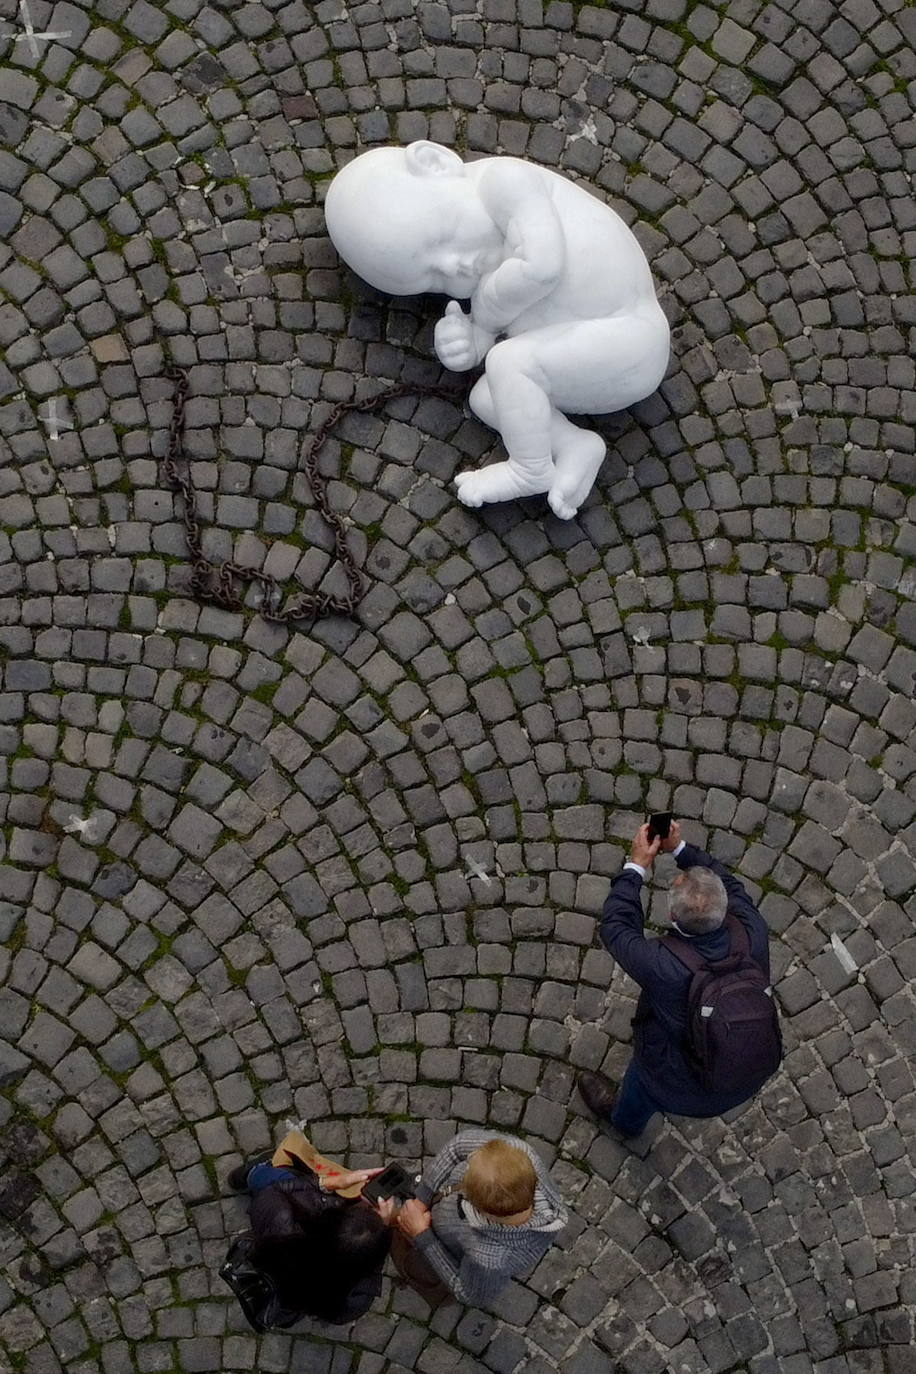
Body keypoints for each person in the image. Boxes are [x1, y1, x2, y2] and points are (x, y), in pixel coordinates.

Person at [324, 141, 669, 520]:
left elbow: (541, 268)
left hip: (631, 337)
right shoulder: (489, 263)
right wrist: (465, 345)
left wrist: (482, 324)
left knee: (510, 362)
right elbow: (508, 310)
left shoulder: (505, 182)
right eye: (435, 280)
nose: (455, 267)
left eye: (443, 237)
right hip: (589, 356)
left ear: (436, 161)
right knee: (488, 396)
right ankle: (572, 445)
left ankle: (530, 469)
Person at [577, 820, 781, 1139]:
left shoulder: (662, 963)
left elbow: (616, 927)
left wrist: (637, 865)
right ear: (725, 905)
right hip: (746, 1076)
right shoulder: (752, 929)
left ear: (672, 916)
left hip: (677, 1085)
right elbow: (729, 881)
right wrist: (681, 850)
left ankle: (625, 1122)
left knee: (641, 1082)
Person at [377, 1130, 567, 1308]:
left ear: (473, 1205)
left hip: (436, 1247)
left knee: (409, 1262)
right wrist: (422, 1198)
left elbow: (469, 1293)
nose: (467, 1159)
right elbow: (458, 1146)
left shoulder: (490, 1260)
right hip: (433, 1214)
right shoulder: (518, 1155)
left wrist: (423, 1237)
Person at [226, 1152, 391, 1325]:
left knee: (272, 1177)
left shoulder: (281, 1219)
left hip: (265, 1266)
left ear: (327, 1221)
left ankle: (249, 1174)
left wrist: (328, 1183)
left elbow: (272, 1192)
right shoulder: (356, 1300)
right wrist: (382, 1229)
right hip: (289, 1304)